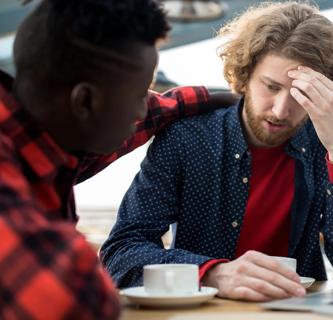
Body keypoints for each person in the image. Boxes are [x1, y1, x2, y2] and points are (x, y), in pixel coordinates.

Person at [101, 1, 333, 302]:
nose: (281, 110)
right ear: (245, 75)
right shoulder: (187, 138)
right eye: (271, 87)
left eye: (301, 94)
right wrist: (211, 273)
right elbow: (121, 252)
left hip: (296, 312)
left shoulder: (324, 148)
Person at [0, 0, 235, 319]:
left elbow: (154, 113)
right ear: (84, 102)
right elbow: (71, 299)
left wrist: (220, 100)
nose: (141, 110)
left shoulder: (51, 141)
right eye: (139, 95)